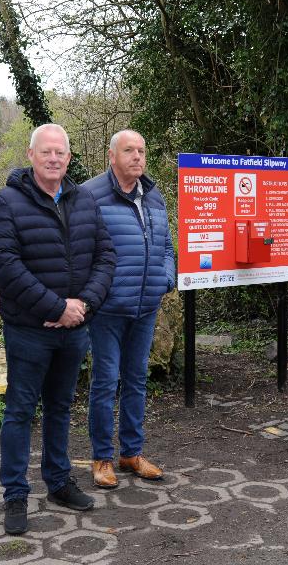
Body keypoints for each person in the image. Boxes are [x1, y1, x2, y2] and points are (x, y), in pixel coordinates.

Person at [0, 123, 116, 535]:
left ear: (69, 158)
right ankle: (15, 494)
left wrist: (83, 307)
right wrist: (56, 307)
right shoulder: (5, 203)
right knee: (20, 412)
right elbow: (6, 267)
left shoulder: (84, 201)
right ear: (31, 155)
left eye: (61, 152)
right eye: (46, 152)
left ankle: (58, 482)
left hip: (74, 329)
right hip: (29, 330)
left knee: (60, 408)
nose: (54, 158)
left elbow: (106, 257)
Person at [82, 129, 176, 488]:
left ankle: (131, 453)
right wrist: (96, 293)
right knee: (105, 383)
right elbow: (80, 252)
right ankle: (102, 458)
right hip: (107, 310)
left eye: (141, 150)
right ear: (112, 156)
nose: (137, 156)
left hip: (145, 307)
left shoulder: (154, 196)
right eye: (129, 150)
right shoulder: (90, 194)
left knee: (136, 380)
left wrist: (164, 280)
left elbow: (167, 248)